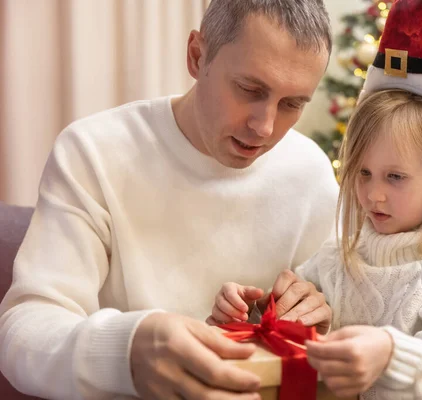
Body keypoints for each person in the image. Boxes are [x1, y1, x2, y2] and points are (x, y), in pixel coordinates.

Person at [0, 1, 338, 399]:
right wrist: (126, 351)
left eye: (292, 104)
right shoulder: (93, 151)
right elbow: (22, 333)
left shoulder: (309, 170)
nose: (264, 127)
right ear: (197, 56)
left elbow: (353, 316)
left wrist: (318, 311)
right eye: (250, 89)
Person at [211, 1, 422, 399]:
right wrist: (255, 312)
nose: (373, 193)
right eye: (363, 173)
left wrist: (389, 353)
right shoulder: (335, 260)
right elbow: (293, 327)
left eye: (395, 177)